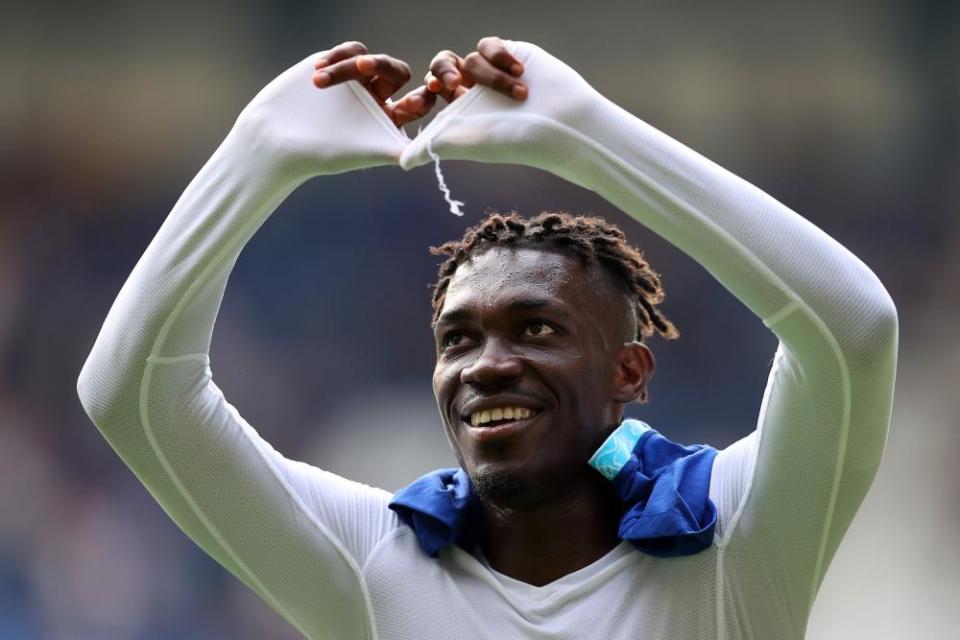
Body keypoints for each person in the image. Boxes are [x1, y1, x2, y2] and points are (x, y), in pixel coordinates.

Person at [77, 36, 899, 639]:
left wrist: (590, 137)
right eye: (458, 340)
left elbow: (851, 329)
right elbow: (132, 396)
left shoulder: (735, 532)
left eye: (536, 328)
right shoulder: (378, 564)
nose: (488, 366)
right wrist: (256, 159)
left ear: (630, 371)